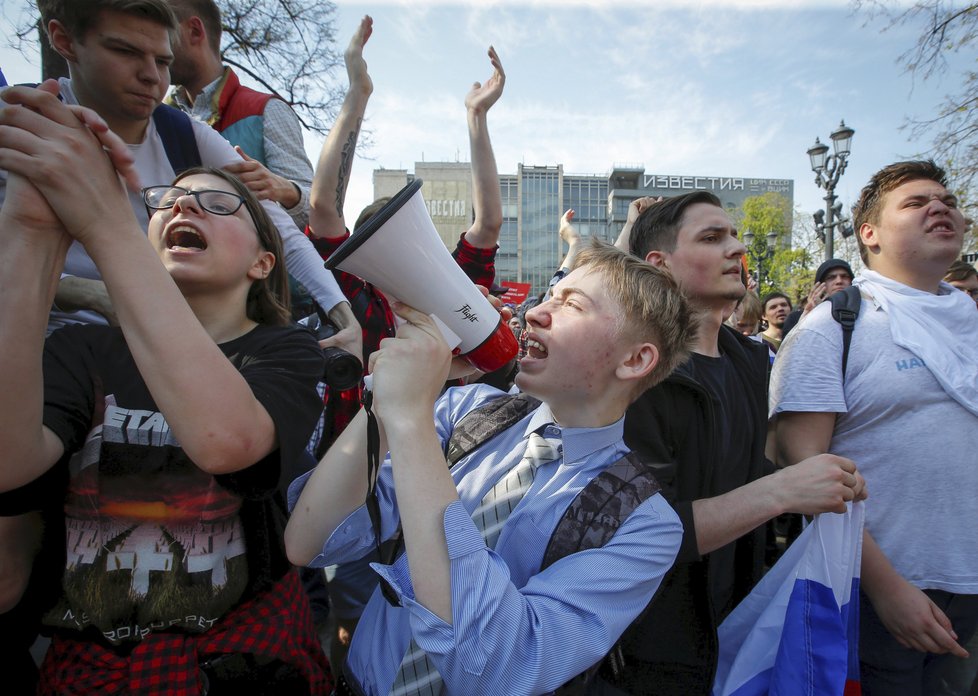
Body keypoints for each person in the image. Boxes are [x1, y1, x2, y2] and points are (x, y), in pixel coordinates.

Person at [0, 82, 331, 692]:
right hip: (91, 671)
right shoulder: (84, 349)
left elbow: (229, 443)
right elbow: (9, 462)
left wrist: (105, 221)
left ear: (263, 261)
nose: (182, 208)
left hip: (238, 669)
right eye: (165, 201)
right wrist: (30, 227)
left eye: (216, 204)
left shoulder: (285, 350)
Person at [285, 241, 694, 694]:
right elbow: (310, 540)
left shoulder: (647, 526)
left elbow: (502, 667)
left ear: (635, 360)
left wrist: (409, 415)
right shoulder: (466, 408)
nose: (537, 312)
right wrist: (387, 403)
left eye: (573, 305)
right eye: (550, 295)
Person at [4, 0, 360, 358]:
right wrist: (79, 290)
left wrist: (340, 310)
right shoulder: (18, 124)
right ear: (63, 40)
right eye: (125, 52)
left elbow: (276, 225)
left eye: (163, 61)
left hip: (155, 348)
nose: (152, 76)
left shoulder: (183, 133)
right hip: (39, 349)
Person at [615, 191, 866, 695]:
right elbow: (639, 536)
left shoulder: (749, 361)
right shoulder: (634, 373)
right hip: (651, 652)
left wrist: (812, 483)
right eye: (712, 238)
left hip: (733, 627)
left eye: (733, 235)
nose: (737, 248)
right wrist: (784, 490)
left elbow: (738, 472)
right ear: (659, 265)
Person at [771, 160, 978, 696]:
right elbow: (805, 473)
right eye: (914, 203)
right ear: (870, 234)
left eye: (948, 200)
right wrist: (887, 592)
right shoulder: (835, 326)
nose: (940, 207)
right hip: (889, 596)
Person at [166, 0, 314, 230]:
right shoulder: (154, 119)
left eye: (164, 31)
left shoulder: (266, 109)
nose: (152, 40)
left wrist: (285, 190)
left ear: (194, 31)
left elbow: (314, 209)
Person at [781, 258, 855, 337]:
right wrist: (812, 317)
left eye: (844, 276)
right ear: (820, 285)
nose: (839, 281)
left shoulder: (864, 313)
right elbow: (789, 347)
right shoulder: (796, 318)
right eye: (831, 277)